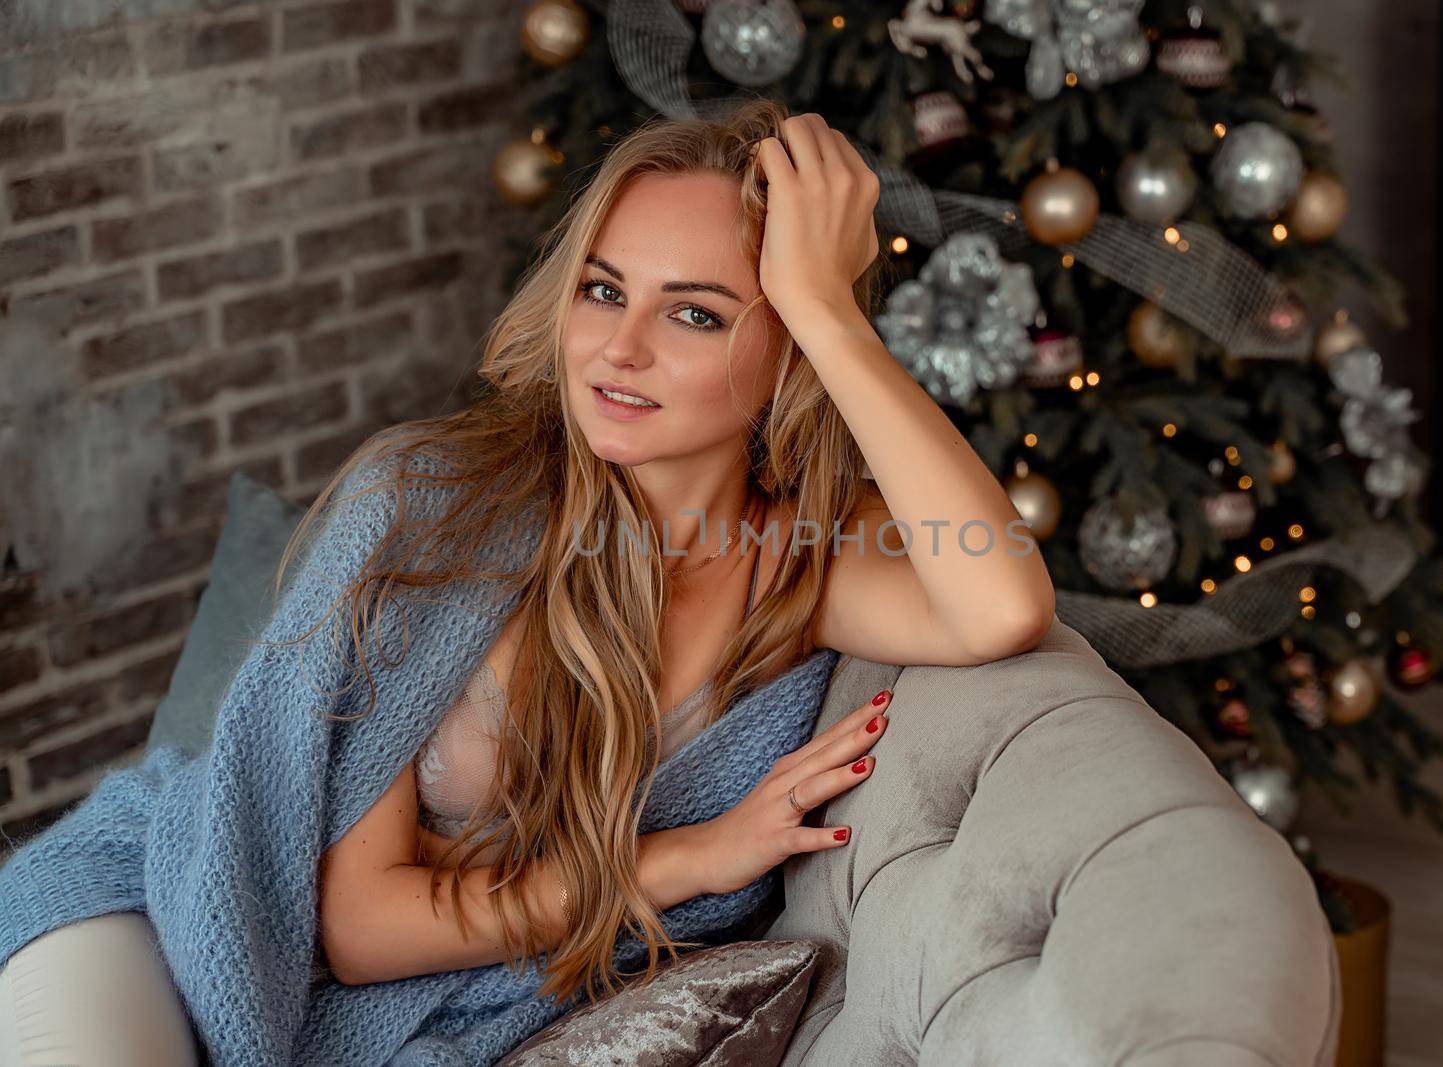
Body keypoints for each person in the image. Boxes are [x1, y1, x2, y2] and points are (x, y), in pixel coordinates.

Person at [0, 99, 1056, 1063]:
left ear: (787, 345)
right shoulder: (430, 505)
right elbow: (361, 925)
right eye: (603, 290)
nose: (617, 348)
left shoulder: (803, 558)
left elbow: (999, 601)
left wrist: (830, 312)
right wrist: (685, 857)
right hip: (165, 911)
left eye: (693, 312)